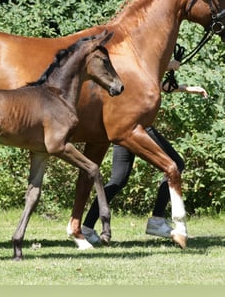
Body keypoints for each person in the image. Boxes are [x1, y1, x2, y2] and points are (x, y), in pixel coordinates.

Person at [81, 60, 208, 244]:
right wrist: (166, 65)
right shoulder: (138, 60)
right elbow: (138, 76)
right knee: (176, 165)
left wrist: (188, 89)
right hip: (139, 127)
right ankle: (157, 220)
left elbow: (160, 86)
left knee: (118, 180)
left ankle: (86, 227)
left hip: (125, 127)